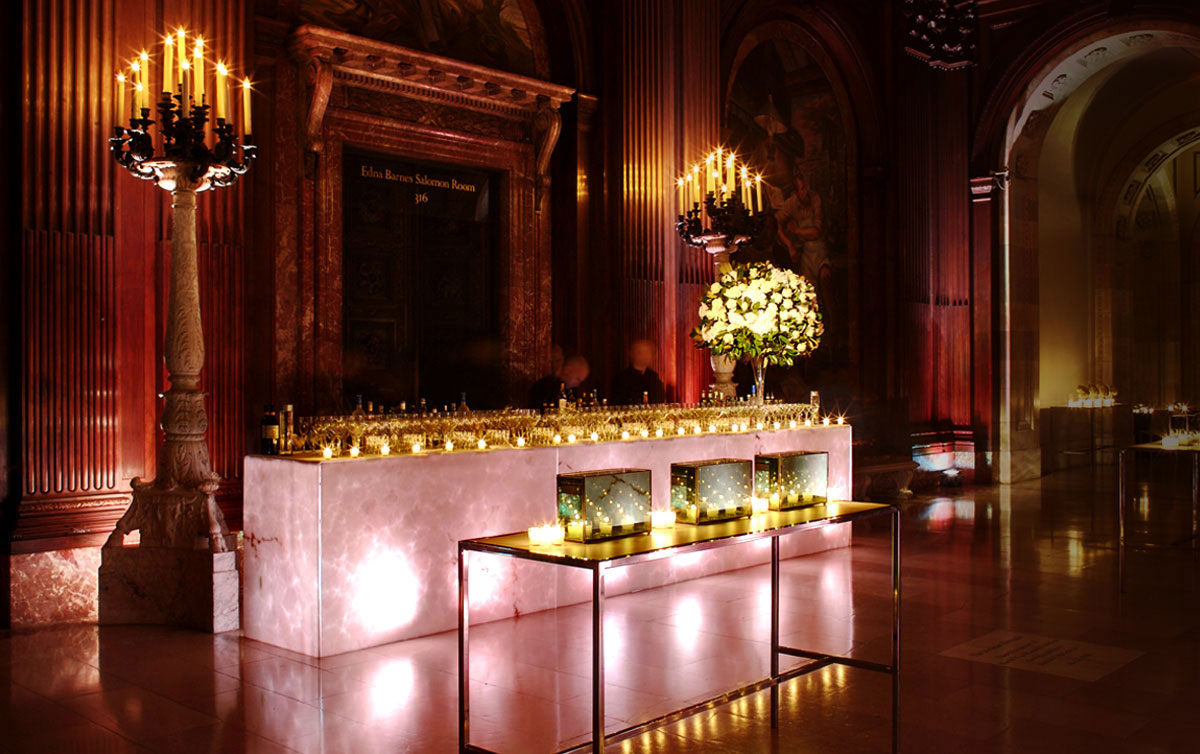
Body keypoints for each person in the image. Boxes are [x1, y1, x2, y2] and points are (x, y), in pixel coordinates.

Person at [610, 339, 665, 405]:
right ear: (632, 354)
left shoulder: (653, 377)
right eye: (640, 352)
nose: (644, 356)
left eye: (647, 352)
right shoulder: (622, 379)